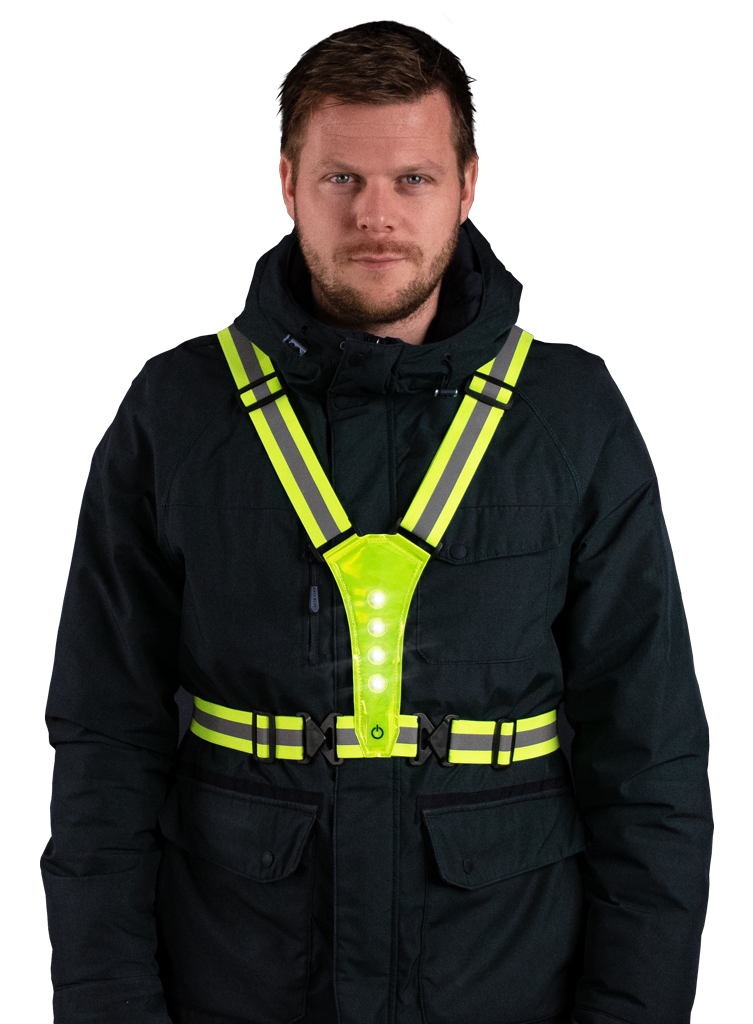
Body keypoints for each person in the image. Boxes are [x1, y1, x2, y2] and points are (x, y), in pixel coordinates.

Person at [42, 20, 712, 1024]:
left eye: (413, 179)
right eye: (341, 179)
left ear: (466, 188)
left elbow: (650, 761)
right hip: (237, 979)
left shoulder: (571, 416)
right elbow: (103, 739)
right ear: (288, 184)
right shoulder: (176, 411)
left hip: (504, 980)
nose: (376, 216)